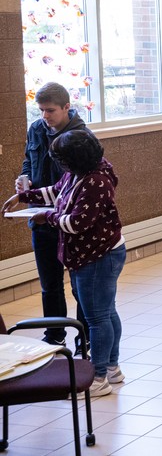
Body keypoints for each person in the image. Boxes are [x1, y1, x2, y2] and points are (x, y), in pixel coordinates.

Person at [3, 130, 125, 397]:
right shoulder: (79, 172)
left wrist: (47, 217)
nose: (60, 165)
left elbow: (78, 222)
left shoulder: (95, 181)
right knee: (106, 312)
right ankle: (112, 368)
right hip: (92, 254)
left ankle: (99, 377)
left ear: (74, 158)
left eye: (62, 160)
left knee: (98, 317)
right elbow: (57, 191)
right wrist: (24, 197)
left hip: (98, 256)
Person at [16, 82, 91, 351]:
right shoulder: (36, 129)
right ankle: (55, 335)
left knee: (79, 287)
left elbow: (83, 183)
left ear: (66, 108)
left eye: (50, 111)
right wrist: (24, 178)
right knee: (49, 284)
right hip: (40, 219)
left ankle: (86, 338)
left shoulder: (82, 137)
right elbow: (28, 159)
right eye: (41, 111)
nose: (45, 117)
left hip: (69, 223)